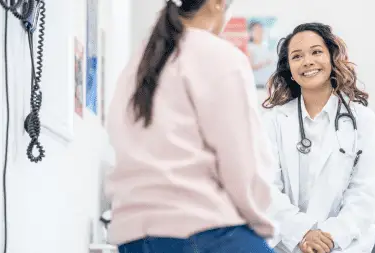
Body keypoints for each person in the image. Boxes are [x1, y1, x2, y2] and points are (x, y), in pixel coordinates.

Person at [103, 0, 277, 252]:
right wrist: (264, 229)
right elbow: (242, 167)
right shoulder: (220, 56)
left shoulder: (138, 64)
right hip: (205, 232)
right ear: (217, 3)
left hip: (133, 240)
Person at [261, 22, 375, 253]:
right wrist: (303, 234)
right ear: (290, 70)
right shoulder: (273, 121)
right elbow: (266, 190)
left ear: (332, 58)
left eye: (316, 52)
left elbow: (363, 194)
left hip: (345, 246)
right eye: (297, 56)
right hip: (290, 245)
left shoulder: (362, 120)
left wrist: (329, 238)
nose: (307, 61)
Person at [247, 20, 277, 88]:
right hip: (258, 85)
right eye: (257, 30)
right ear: (251, 33)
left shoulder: (265, 47)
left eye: (261, 30)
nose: (259, 32)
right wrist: (265, 63)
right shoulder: (250, 47)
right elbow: (249, 67)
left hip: (268, 85)